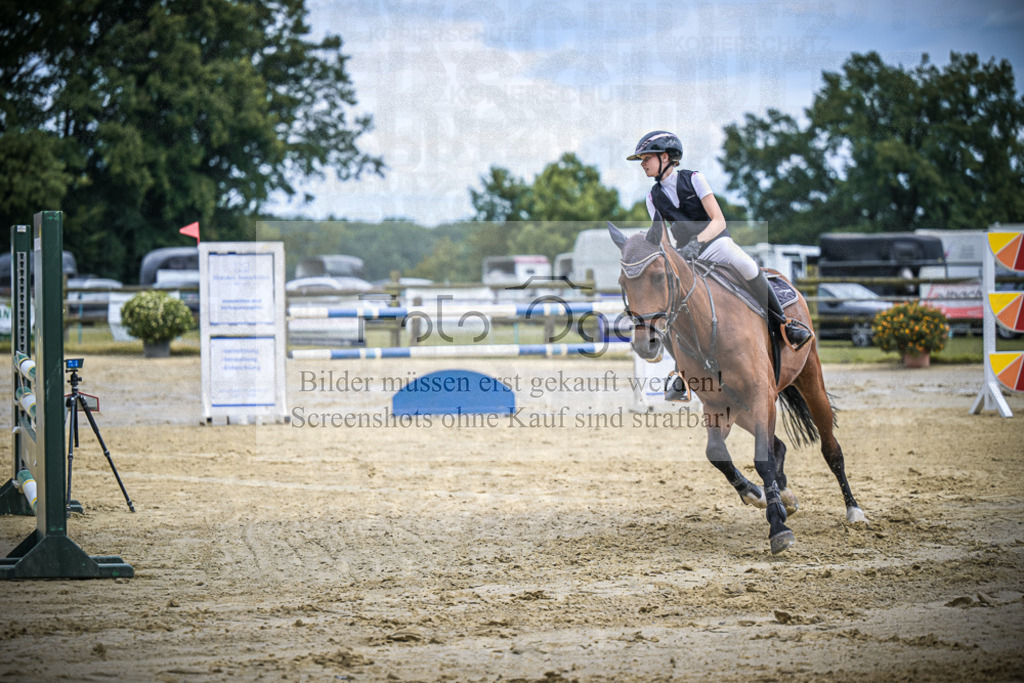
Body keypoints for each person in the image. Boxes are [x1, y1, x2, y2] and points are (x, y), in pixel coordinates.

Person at [627, 131, 813, 400]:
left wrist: (697, 242)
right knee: (668, 302)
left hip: (716, 245)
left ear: (665, 157)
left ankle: (785, 325)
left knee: (748, 266)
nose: (643, 164)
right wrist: (675, 257)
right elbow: (664, 241)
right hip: (687, 259)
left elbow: (718, 220)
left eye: (646, 158)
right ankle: (680, 373)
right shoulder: (652, 198)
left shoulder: (694, 179)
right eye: (642, 160)